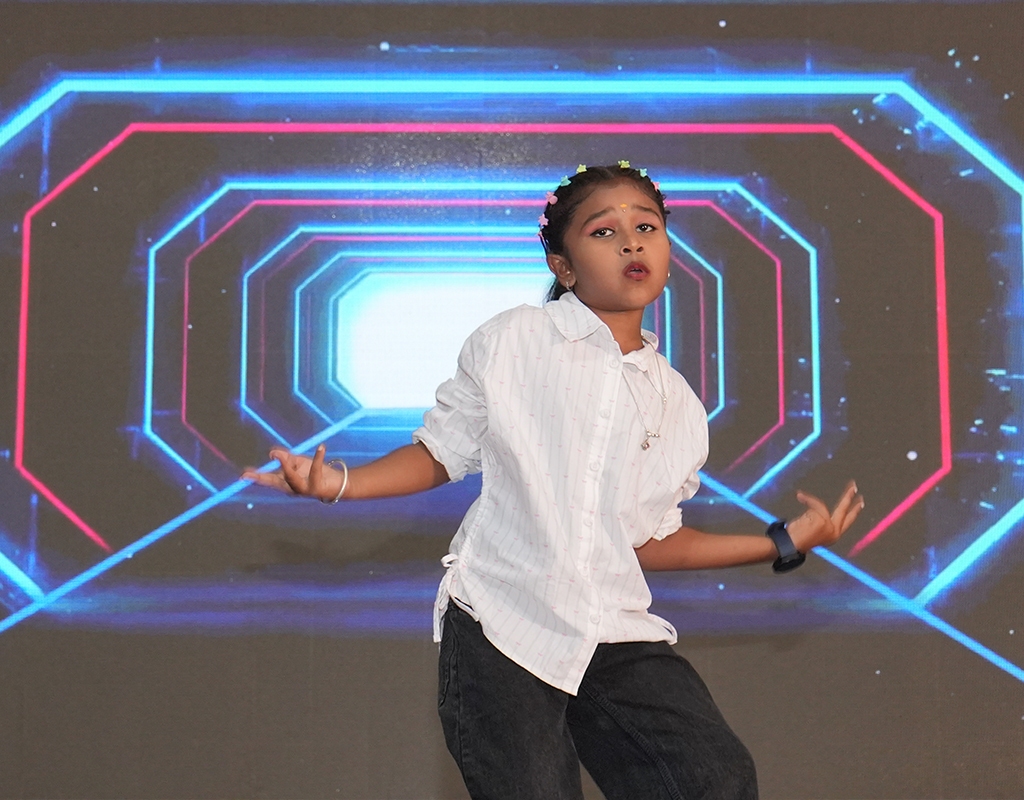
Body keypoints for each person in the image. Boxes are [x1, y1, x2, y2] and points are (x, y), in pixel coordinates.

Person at [243, 163, 865, 800]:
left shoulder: (678, 404)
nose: (631, 243)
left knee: (715, 777)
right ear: (563, 268)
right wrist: (338, 483)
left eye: (646, 227)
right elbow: (440, 454)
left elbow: (649, 543)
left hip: (613, 630)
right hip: (503, 622)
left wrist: (783, 540)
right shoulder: (515, 339)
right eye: (604, 231)